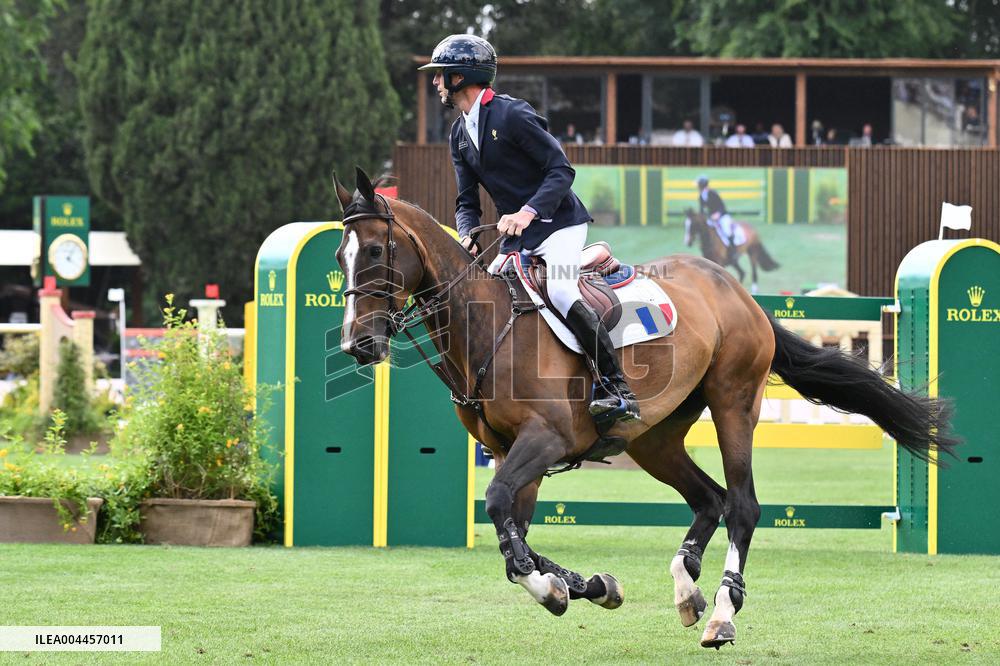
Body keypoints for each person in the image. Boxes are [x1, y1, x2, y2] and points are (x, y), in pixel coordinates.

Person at [418, 34, 639, 422]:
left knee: (561, 288)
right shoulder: (458, 135)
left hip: (559, 225)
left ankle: (615, 387)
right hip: (517, 237)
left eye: (440, 74)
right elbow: (466, 201)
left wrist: (527, 212)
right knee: (484, 295)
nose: (435, 82)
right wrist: (467, 232)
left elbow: (561, 171)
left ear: (461, 76)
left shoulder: (513, 114)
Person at [696, 175, 739, 263]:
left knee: (727, 230)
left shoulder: (713, 193)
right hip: (711, 218)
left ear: (701, 185)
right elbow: (701, 210)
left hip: (722, 216)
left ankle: (733, 251)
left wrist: (717, 214)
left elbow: (721, 206)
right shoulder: (701, 196)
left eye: (698, 185)